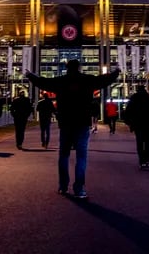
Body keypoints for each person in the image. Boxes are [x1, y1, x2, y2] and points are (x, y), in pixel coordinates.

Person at [25, 59, 120, 199]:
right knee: (81, 157)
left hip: (66, 122)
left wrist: (30, 75)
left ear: (67, 67)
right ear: (79, 67)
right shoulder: (87, 80)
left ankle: (63, 186)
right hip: (82, 122)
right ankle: (79, 189)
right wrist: (116, 72)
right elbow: (104, 80)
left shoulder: (61, 81)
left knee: (64, 155)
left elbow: (43, 82)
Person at [123, 85, 149, 169]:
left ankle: (142, 161)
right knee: (148, 142)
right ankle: (147, 159)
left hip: (138, 124)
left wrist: (129, 122)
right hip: (148, 124)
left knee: (139, 142)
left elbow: (128, 111)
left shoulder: (134, 98)